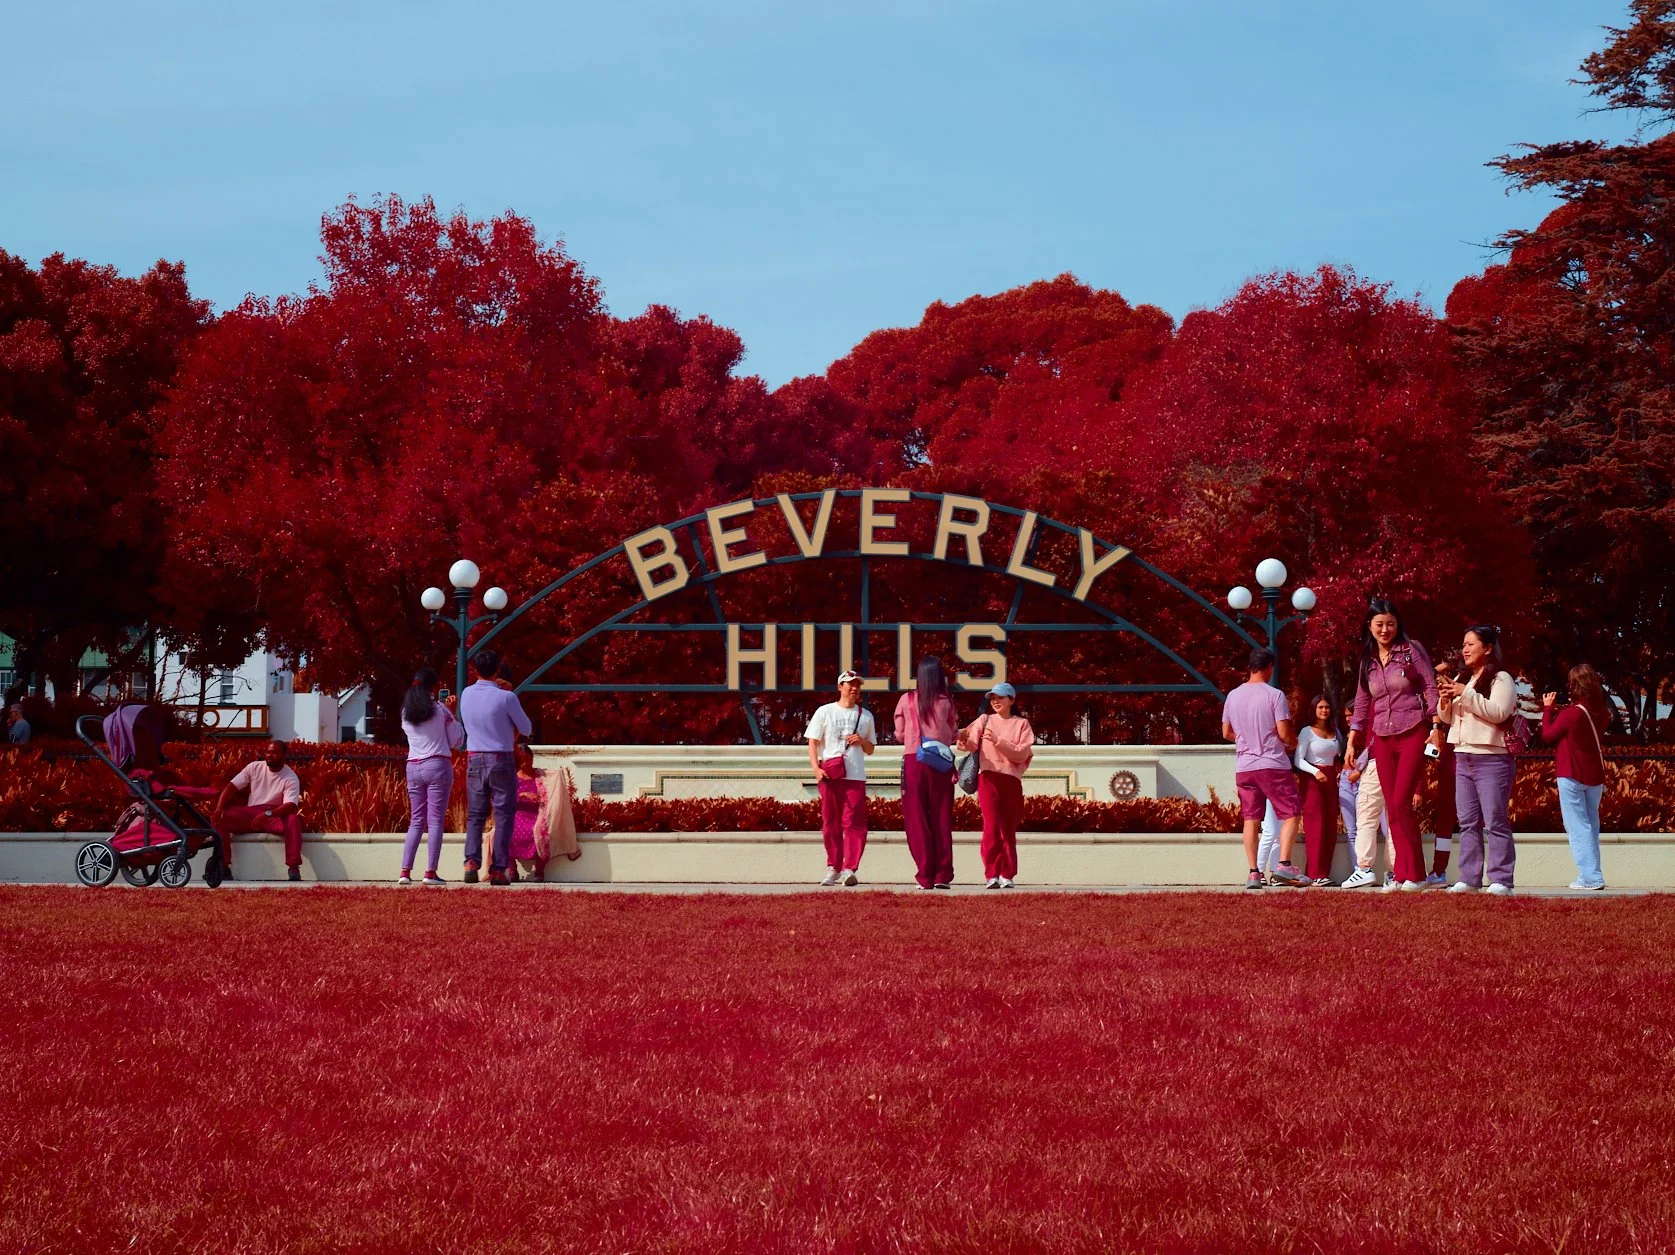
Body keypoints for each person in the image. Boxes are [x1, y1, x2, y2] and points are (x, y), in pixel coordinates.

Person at [1346, 599, 1440, 892]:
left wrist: (1436, 727)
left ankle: (1417, 875)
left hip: (1413, 730)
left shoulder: (1412, 650)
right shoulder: (1367, 660)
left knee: (1401, 802)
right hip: (1382, 738)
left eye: (1390, 623)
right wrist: (1352, 739)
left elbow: (1429, 685)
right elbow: (1362, 702)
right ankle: (1401, 875)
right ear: (1369, 627)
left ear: (1397, 624)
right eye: (1379, 624)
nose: (1385, 629)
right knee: (1392, 806)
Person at [1438, 625, 1517, 895]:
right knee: (1467, 821)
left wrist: (1464, 693)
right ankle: (1469, 878)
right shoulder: (1464, 678)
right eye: (1464, 644)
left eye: (1471, 644)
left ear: (1488, 648)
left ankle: (1500, 879)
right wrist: (1445, 700)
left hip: (1491, 758)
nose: (1465, 649)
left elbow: (1498, 713)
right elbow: (1449, 719)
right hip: (1463, 755)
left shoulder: (1501, 679)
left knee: (1495, 820)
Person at [1221, 648, 1306, 889]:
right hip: (1272, 763)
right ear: (1269, 666)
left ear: (1250, 667)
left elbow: (1226, 732)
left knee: (1251, 819)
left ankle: (1253, 873)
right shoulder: (1275, 695)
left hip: (1244, 766)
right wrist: (1293, 741)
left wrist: (1245, 739)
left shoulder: (1233, 696)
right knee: (1291, 812)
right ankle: (1284, 865)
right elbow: (1283, 732)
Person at [459, 649, 532, 887]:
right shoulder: (506, 698)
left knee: (475, 815)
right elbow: (527, 727)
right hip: (500, 758)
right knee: (503, 815)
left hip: (475, 757)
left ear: (475, 670)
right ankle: (499, 869)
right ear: (497, 669)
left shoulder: (466, 694)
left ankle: (471, 862)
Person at [957, 681, 1035, 889]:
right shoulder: (984, 720)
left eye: (1000, 697)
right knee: (991, 827)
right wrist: (962, 739)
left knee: (1008, 829)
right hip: (988, 778)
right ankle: (991, 874)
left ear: (1012, 700)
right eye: (992, 698)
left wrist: (998, 740)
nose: (995, 701)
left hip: (1011, 780)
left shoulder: (1022, 724)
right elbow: (970, 744)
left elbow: (1021, 753)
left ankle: (1007, 874)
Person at [804, 670, 876, 886]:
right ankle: (833, 867)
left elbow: (870, 749)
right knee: (831, 822)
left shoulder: (866, 715)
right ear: (840, 687)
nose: (854, 688)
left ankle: (849, 868)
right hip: (830, 774)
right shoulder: (825, 712)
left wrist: (861, 741)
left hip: (855, 775)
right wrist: (816, 769)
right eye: (849, 684)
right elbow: (813, 742)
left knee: (854, 823)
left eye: (857, 685)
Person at [1543, 664, 1610, 891]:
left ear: (1574, 685)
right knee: (1591, 826)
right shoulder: (1602, 712)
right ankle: (1592, 873)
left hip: (1571, 773)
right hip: (1594, 775)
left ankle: (1590, 877)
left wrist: (1548, 709)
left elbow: (1547, 734)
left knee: (1577, 826)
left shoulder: (1571, 714)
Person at [895, 656, 960, 891]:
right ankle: (943, 873)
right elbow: (953, 733)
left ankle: (925, 875)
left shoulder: (907, 699)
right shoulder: (946, 701)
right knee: (942, 816)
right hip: (941, 762)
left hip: (915, 760)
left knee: (916, 818)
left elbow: (900, 734)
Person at [398, 667, 461, 887]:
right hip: (437, 764)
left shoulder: (406, 713)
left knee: (416, 820)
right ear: (434, 688)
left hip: (413, 767)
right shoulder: (441, 711)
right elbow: (457, 741)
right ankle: (430, 872)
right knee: (435, 820)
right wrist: (452, 712)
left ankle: (405, 871)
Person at [214, 739, 304, 881]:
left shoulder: (290, 777)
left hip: (274, 814)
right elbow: (231, 787)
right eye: (268, 752)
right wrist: (219, 808)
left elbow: (291, 806)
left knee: (293, 819)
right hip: (251, 814)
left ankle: (293, 868)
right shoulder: (254, 767)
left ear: (284, 755)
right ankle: (223, 868)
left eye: (274, 753)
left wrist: (268, 814)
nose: (269, 755)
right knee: (221, 818)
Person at [1294, 694, 1342, 886]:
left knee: (1330, 826)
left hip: (1331, 780)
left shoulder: (1335, 732)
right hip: (1313, 780)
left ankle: (1323, 872)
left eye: (1327, 707)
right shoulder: (1307, 732)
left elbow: (1339, 755)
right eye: (1320, 707)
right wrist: (1315, 772)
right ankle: (1315, 873)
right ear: (1314, 709)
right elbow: (1298, 759)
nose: (1324, 710)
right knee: (1316, 826)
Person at [1426, 653, 1462, 888]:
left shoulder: (1480, 683)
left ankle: (1480, 872)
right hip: (1451, 753)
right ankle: (1439, 869)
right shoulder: (1446, 691)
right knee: (1447, 815)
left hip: (1471, 754)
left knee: (1473, 817)